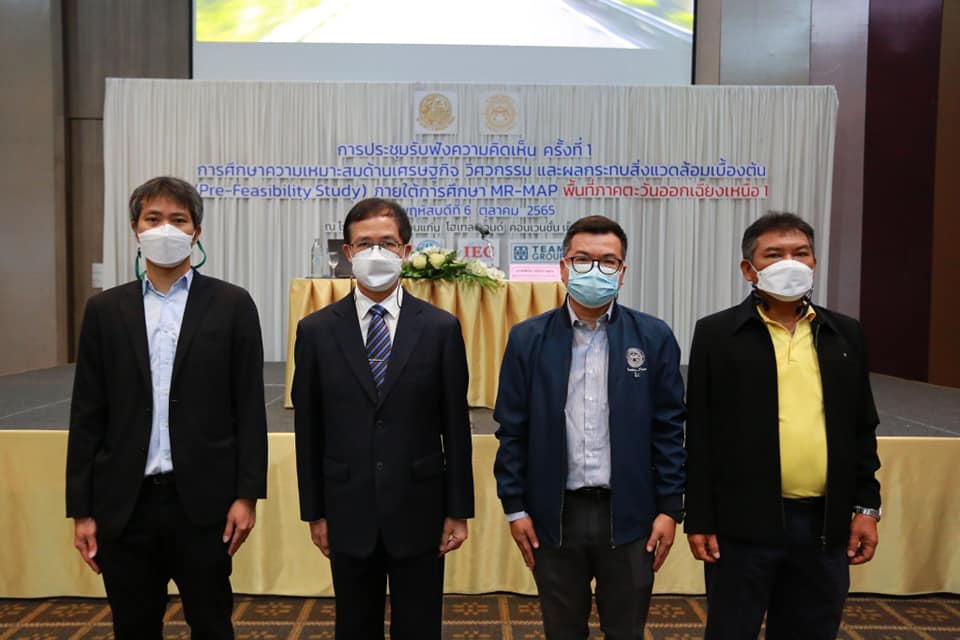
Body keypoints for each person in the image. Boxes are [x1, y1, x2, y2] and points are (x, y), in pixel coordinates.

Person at [66, 176, 269, 639]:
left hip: (204, 503)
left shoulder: (232, 304)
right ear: (135, 229)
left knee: (212, 624)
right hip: (125, 503)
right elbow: (87, 414)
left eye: (178, 220)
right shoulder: (105, 310)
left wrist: (247, 495)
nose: (165, 229)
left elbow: (248, 407)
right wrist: (82, 509)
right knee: (133, 626)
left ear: (197, 232)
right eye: (153, 219)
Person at [684, 211, 882, 639]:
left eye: (800, 253)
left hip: (824, 526)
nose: (790, 263)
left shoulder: (845, 334)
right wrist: (698, 516)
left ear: (814, 263)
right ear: (748, 269)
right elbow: (699, 433)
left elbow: (862, 428)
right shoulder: (717, 334)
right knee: (731, 631)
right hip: (742, 527)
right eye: (774, 255)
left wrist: (867, 508)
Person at [493, 215, 686, 639]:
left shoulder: (653, 337)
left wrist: (670, 508)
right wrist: (515, 507)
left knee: (626, 630)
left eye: (608, 261)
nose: (595, 270)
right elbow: (512, 430)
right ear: (564, 267)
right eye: (582, 259)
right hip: (554, 514)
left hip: (631, 514)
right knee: (562, 630)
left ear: (622, 271)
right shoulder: (528, 339)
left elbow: (669, 429)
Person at [292, 198, 474, 640]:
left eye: (387, 243)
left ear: (406, 251)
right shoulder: (316, 330)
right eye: (365, 243)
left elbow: (455, 426)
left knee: (420, 627)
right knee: (355, 626)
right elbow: (308, 430)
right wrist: (314, 512)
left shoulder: (440, 328)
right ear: (348, 252)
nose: (376, 253)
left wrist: (458, 510)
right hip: (346, 509)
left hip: (420, 508)